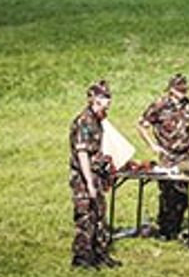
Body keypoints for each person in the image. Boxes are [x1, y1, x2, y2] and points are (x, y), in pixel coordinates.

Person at [137, 73, 189, 241]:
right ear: (172, 90)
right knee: (168, 193)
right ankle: (165, 230)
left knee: (183, 193)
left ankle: (177, 226)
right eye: (179, 90)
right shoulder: (160, 105)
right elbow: (142, 125)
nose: (183, 93)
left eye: (184, 90)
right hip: (167, 156)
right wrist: (152, 145)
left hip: (185, 156)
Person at [70, 80, 119, 269]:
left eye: (108, 98)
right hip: (83, 177)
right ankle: (82, 257)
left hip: (97, 175)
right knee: (85, 216)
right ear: (93, 99)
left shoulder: (98, 120)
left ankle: (100, 253)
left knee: (99, 214)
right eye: (104, 98)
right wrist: (89, 183)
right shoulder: (84, 121)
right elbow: (82, 154)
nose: (107, 102)